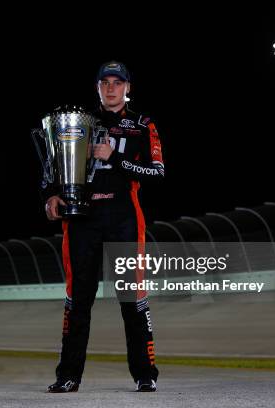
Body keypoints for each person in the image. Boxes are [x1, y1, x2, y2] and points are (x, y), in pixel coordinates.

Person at [42, 61, 165, 393]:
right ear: (97, 87)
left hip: (124, 217)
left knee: (132, 297)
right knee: (78, 299)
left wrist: (114, 158)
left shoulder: (143, 125)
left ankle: (145, 374)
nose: (111, 87)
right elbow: (55, 161)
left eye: (117, 82)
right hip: (81, 219)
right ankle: (68, 375)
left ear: (128, 87)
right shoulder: (78, 122)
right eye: (104, 82)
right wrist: (52, 194)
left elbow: (157, 172)